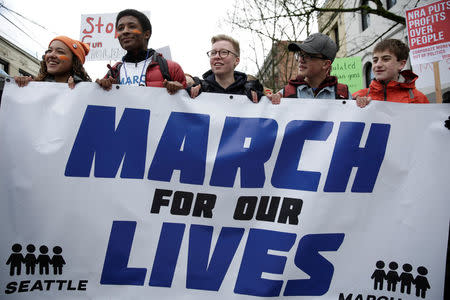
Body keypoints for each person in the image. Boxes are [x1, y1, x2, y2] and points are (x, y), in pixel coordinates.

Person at [96, 9, 186, 94]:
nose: (125, 31)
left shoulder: (171, 68)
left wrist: (182, 91)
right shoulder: (113, 72)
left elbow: (189, 104)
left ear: (146, 34)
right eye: (120, 28)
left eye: (131, 26)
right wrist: (102, 88)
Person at [268, 33, 351, 104]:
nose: (300, 60)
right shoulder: (285, 94)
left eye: (307, 56)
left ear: (325, 64)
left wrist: (362, 104)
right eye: (299, 55)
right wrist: (262, 99)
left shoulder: (343, 95)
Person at [188, 34, 263, 103]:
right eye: (213, 53)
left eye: (224, 52)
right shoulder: (198, 88)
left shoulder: (253, 92)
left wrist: (272, 100)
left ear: (236, 61)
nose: (217, 56)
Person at [353, 39, 429, 107]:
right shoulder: (358, 96)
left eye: (385, 59)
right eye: (375, 60)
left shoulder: (419, 99)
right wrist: (354, 104)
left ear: (401, 64)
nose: (378, 65)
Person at [14, 36, 91, 89]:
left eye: (60, 52)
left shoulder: (87, 90)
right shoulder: (33, 86)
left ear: (74, 61)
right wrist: (21, 84)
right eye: (49, 51)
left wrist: (102, 88)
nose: (51, 55)